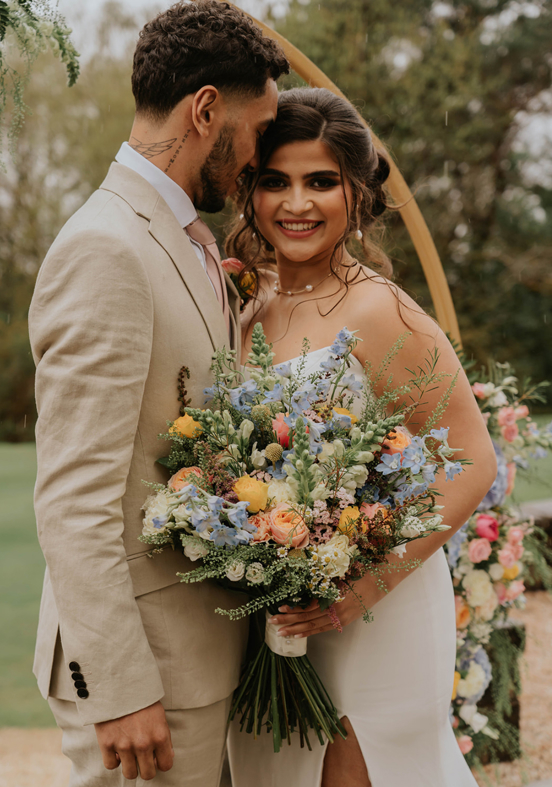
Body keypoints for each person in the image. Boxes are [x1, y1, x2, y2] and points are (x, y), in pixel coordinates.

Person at [28, 3, 288, 785]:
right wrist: (119, 688)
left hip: (199, 664)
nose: (257, 156)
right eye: (257, 131)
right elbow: (73, 497)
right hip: (148, 681)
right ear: (206, 110)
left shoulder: (178, 239)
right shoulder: (106, 249)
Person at [225, 87, 497, 787]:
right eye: (276, 181)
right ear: (251, 191)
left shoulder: (381, 311)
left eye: (321, 182)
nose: (297, 203)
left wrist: (361, 587)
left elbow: (472, 460)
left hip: (377, 613)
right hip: (278, 609)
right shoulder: (248, 305)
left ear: (357, 194)